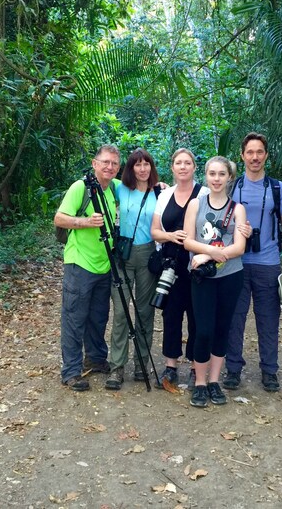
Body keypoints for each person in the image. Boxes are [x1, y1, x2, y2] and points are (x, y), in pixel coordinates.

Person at [224, 132, 282, 393]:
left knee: (268, 318)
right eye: (250, 152)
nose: (254, 157)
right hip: (236, 261)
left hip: (268, 263)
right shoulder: (232, 187)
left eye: (259, 152)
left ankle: (269, 370)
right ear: (242, 156)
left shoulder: (279, 189)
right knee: (235, 317)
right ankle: (233, 369)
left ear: (266, 155)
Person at [53, 145, 120, 392]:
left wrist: (161, 187)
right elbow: (59, 218)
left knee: (98, 316)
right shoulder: (80, 187)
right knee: (74, 317)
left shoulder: (114, 188)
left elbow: (139, 187)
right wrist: (85, 222)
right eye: (105, 162)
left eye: (114, 163)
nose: (109, 167)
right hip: (79, 263)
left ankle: (95, 357)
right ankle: (71, 371)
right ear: (94, 163)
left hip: (104, 264)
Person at [183, 156, 246, 408]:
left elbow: (240, 247)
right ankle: (199, 382)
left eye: (222, 174)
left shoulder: (238, 209)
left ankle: (214, 381)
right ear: (206, 176)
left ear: (229, 177)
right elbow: (187, 240)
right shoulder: (195, 205)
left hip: (231, 275)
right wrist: (211, 251)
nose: (217, 179)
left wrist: (209, 253)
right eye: (212, 174)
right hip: (203, 277)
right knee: (204, 329)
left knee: (222, 329)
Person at [150, 149, 208, 388]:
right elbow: (154, 231)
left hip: (197, 265)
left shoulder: (204, 194)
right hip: (171, 266)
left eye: (187, 163)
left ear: (195, 167)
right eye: (178, 163)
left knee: (197, 315)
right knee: (171, 314)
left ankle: (196, 366)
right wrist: (169, 235)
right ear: (172, 167)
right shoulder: (165, 195)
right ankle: (171, 365)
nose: (183, 167)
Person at [105, 149, 160, 390]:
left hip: (148, 254)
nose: (142, 169)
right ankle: (116, 367)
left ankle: (141, 362)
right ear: (130, 168)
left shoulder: (160, 192)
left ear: (151, 167)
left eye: (146, 164)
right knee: (120, 312)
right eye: (137, 165)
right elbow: (101, 182)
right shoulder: (119, 188)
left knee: (145, 311)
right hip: (123, 255)